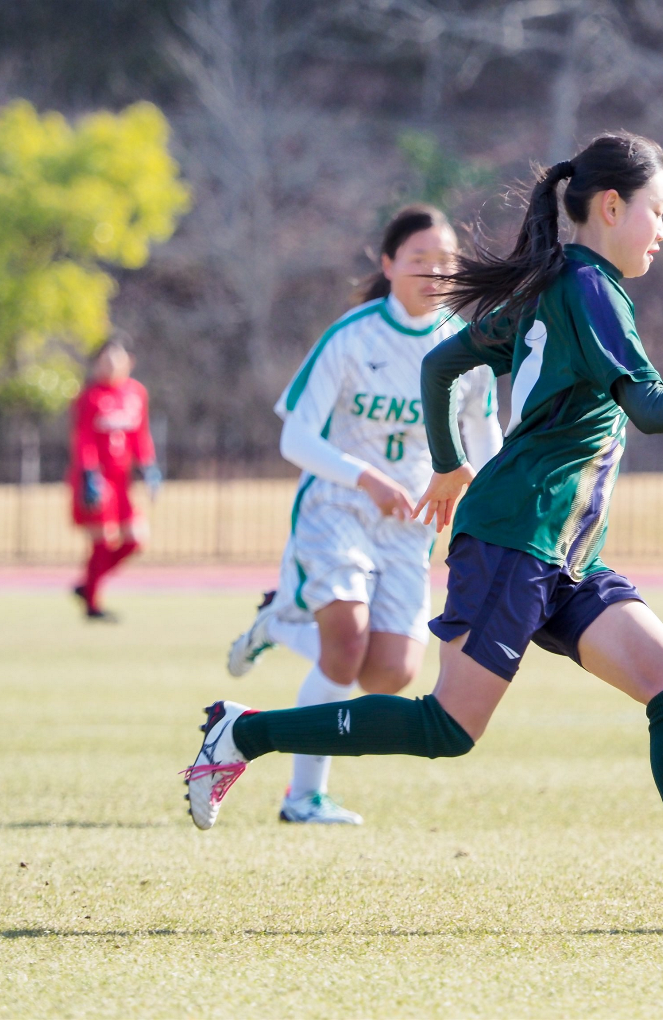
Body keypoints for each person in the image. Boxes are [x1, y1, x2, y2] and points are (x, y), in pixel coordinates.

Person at [183, 134, 663, 924]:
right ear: (609, 207)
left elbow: (440, 365)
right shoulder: (589, 288)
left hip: (562, 553)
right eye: (656, 212)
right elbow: (651, 408)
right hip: (513, 537)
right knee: (447, 728)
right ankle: (242, 735)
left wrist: (452, 465)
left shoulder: (552, 284)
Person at [222, 204, 502, 826]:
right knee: (344, 647)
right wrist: (367, 477)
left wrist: (483, 500)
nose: (433, 272)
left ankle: (279, 623)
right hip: (340, 508)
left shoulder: (469, 347)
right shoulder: (352, 336)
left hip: (410, 527)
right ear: (388, 264)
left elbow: (485, 441)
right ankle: (302, 798)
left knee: (390, 675)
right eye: (418, 259)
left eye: (445, 261)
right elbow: (296, 439)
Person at [68, 339, 160, 622]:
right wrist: (88, 475)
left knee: (136, 539)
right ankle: (93, 604)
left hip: (122, 481)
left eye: (116, 359)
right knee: (101, 541)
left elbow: (140, 435)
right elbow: (83, 439)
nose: (110, 366)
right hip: (96, 478)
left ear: (129, 361)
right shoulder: (90, 397)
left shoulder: (136, 393)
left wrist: (148, 466)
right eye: (104, 360)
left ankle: (87, 585)